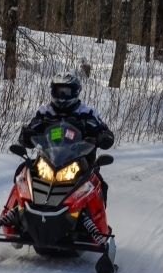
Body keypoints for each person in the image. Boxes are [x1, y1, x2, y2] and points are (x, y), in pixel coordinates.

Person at [16, 71, 115, 203]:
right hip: (48, 162)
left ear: (75, 92)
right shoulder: (44, 111)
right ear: (53, 91)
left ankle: (96, 221)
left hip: (81, 164)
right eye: (59, 91)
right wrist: (27, 135)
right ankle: (15, 211)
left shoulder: (87, 112)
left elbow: (104, 130)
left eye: (66, 91)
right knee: (22, 174)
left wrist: (104, 136)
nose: (62, 95)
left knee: (98, 183)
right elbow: (30, 129)